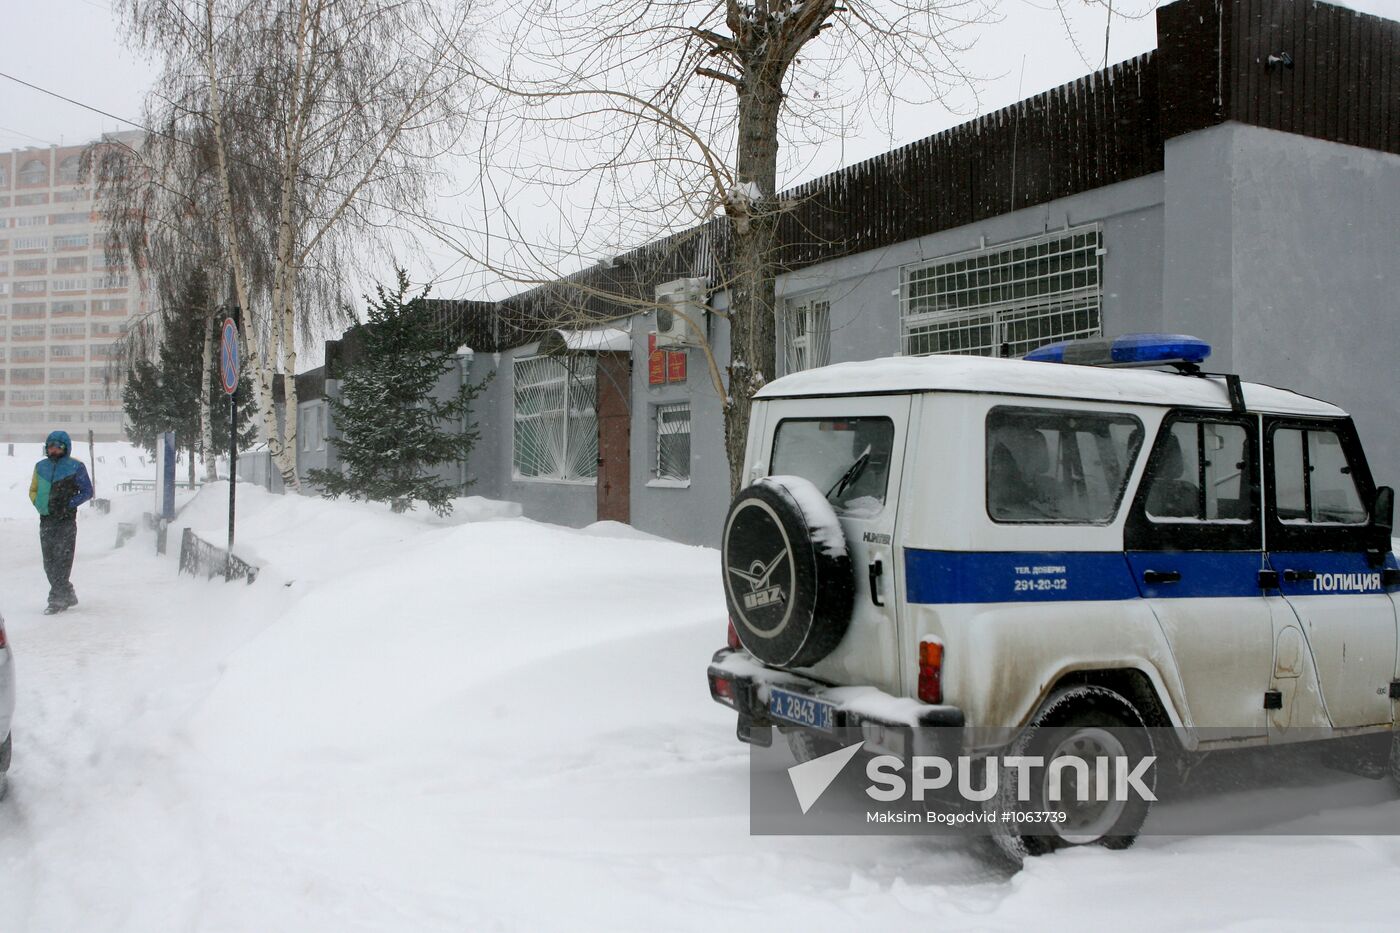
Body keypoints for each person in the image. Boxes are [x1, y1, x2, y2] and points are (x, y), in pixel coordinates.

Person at [28, 430, 94, 614]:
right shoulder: (40, 467)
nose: (54, 450)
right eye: (51, 446)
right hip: (46, 520)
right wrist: (39, 504)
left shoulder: (75, 467)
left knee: (62, 560)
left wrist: (69, 504)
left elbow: (87, 491)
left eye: (58, 446)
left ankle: (56, 599)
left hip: (66, 521)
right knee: (49, 562)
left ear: (66, 448)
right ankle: (67, 592)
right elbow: (33, 490)